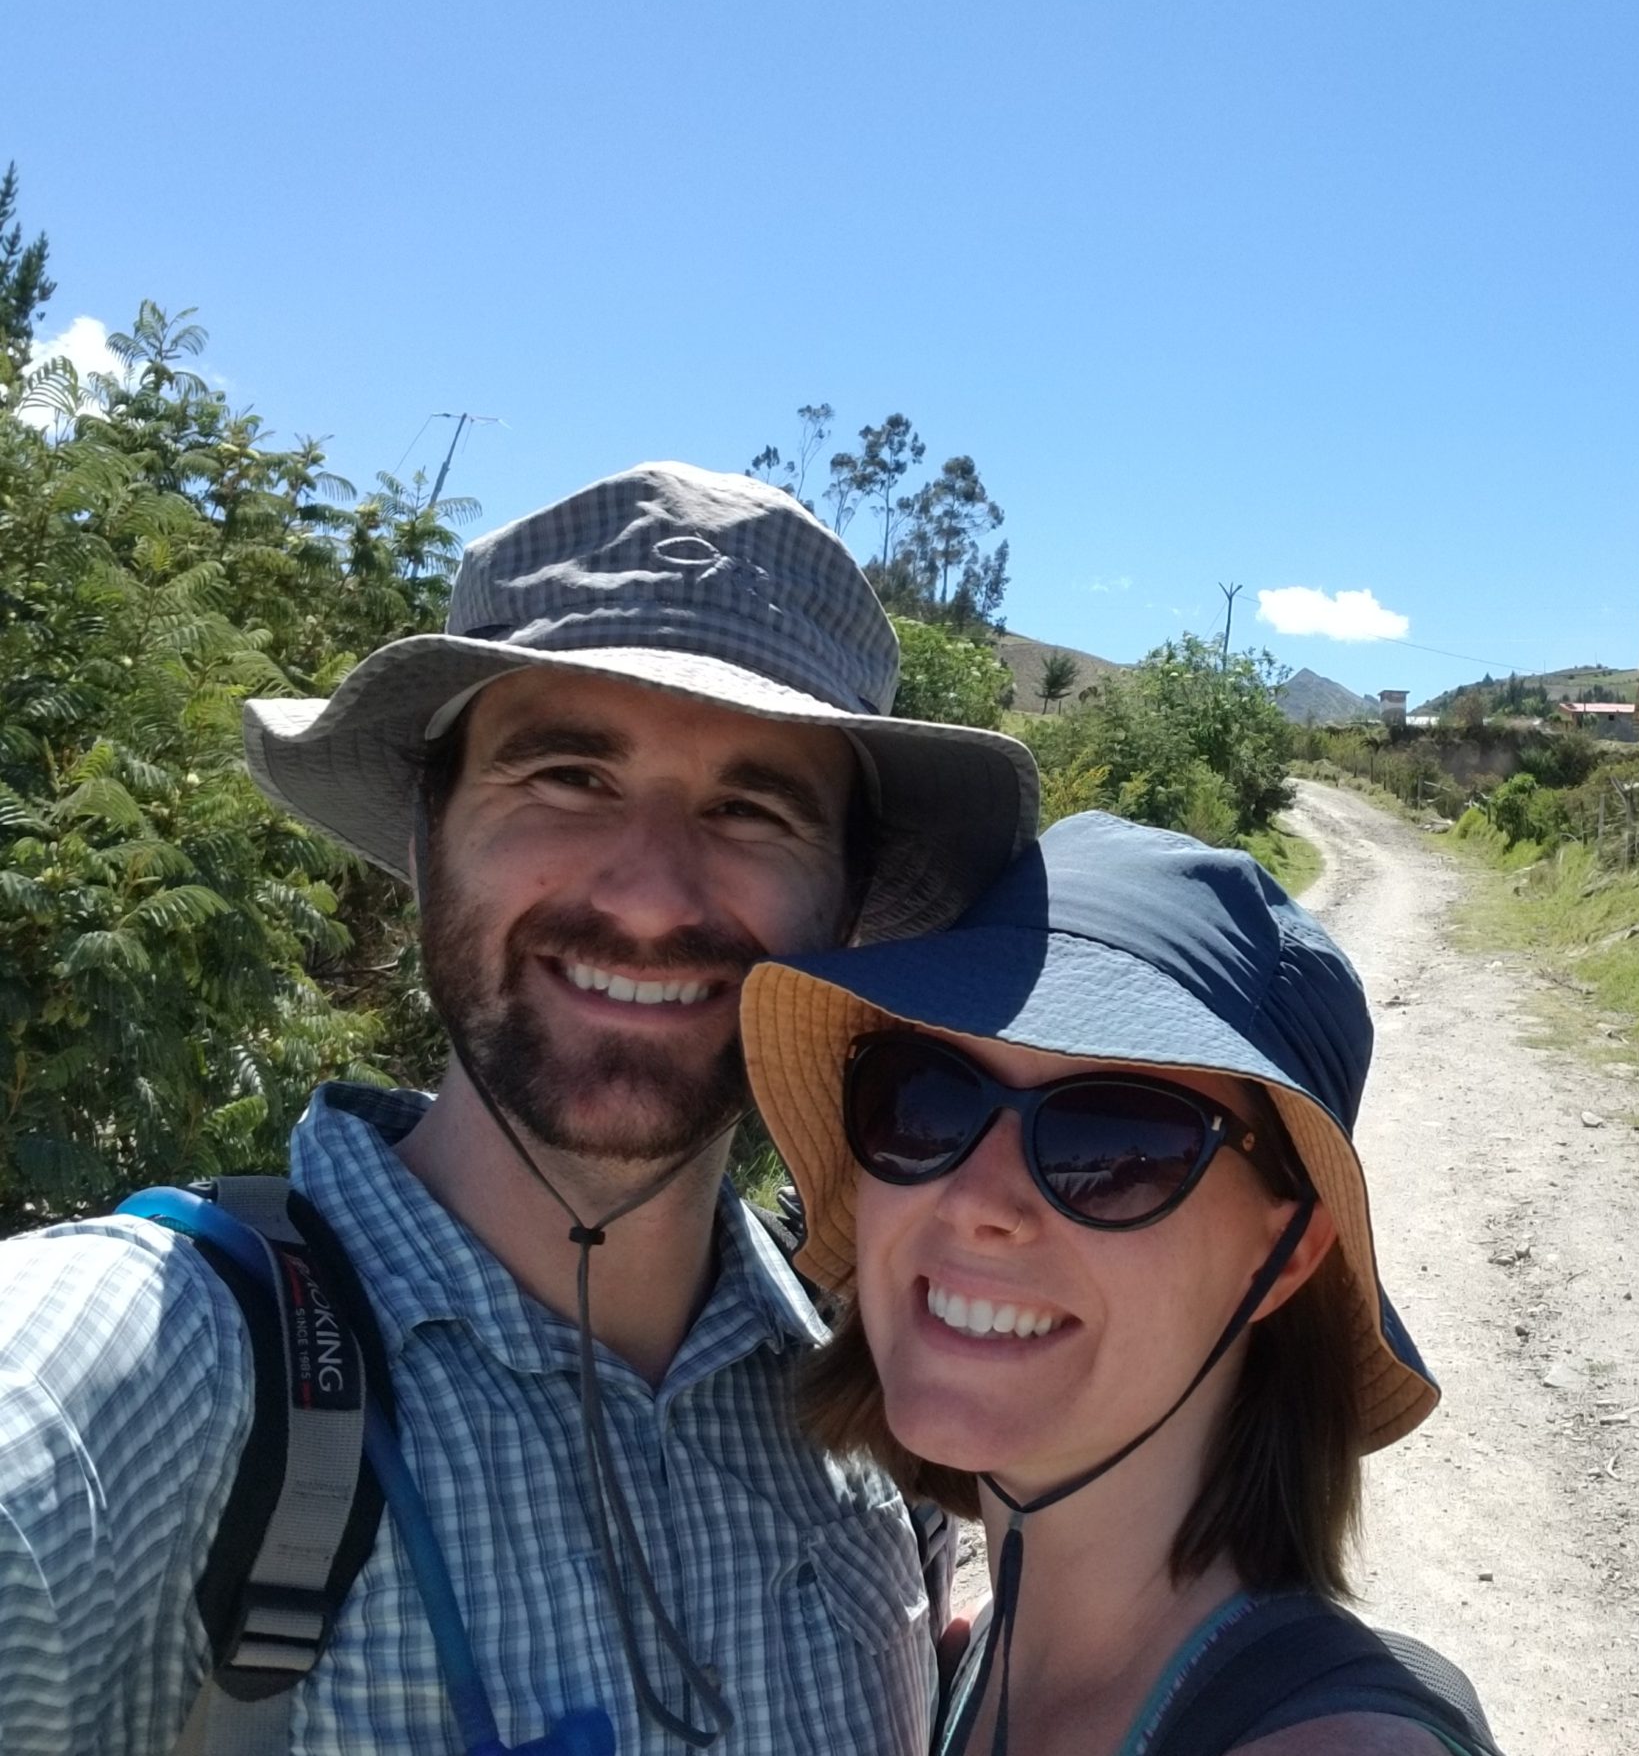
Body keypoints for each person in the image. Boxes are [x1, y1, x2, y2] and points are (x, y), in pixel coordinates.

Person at [0, 462, 1039, 1753]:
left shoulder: (872, 1408)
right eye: (566, 777)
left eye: (753, 809)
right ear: (433, 834)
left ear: (845, 908)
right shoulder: (150, 1387)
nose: (653, 896)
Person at [740, 811, 1500, 1756]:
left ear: (1285, 1257)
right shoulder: (948, 1655)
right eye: (925, 1097)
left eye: (1115, 1143)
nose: (978, 1200)